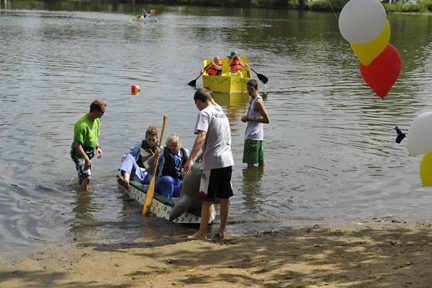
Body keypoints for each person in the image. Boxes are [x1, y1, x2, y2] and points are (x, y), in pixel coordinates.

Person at [184, 88, 234, 240]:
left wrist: (190, 159)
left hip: (213, 162)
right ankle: (222, 230)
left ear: (199, 101)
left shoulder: (204, 113)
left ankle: (202, 233)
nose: (197, 107)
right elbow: (219, 137)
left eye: (196, 104)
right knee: (224, 197)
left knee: (207, 198)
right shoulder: (222, 112)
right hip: (227, 160)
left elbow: (202, 136)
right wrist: (202, 153)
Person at [70, 100, 106, 191]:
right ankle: (84, 203)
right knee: (87, 178)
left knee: (83, 178)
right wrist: (86, 158)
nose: (103, 114)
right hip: (78, 153)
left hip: (88, 152)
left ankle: (78, 191)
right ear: (95, 111)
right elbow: (77, 144)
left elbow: (95, 136)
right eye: (102, 112)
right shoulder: (82, 125)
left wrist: (98, 147)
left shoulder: (96, 121)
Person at [147, 134, 190, 199]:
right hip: (163, 182)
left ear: (179, 145)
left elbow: (190, 168)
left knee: (186, 184)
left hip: (177, 183)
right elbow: (150, 163)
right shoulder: (163, 151)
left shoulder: (185, 152)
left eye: (174, 146)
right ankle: (166, 201)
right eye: (170, 145)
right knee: (168, 180)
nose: (172, 148)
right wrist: (155, 155)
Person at [241, 79, 270, 169]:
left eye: (251, 89)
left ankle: (250, 182)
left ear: (256, 89)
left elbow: (267, 120)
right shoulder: (252, 99)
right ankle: (262, 178)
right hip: (256, 136)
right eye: (248, 89)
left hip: (252, 137)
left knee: (250, 164)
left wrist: (249, 119)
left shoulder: (258, 102)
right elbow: (250, 114)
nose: (249, 91)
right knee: (261, 162)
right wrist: (246, 118)